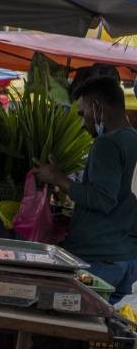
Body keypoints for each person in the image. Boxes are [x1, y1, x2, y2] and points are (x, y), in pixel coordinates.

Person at [35, 77, 137, 302]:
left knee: (69, 325)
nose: (82, 123)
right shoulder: (133, 140)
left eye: (82, 114)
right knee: (100, 331)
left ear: (97, 107)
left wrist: (57, 177)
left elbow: (102, 199)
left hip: (99, 260)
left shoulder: (107, 144)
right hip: (125, 260)